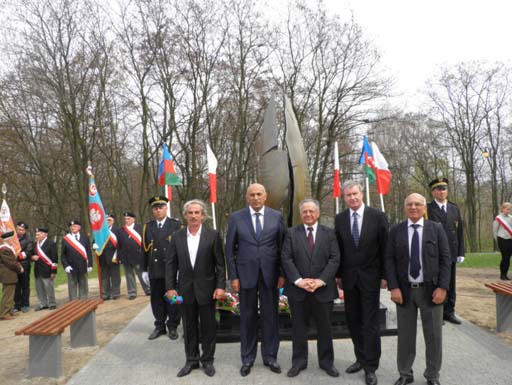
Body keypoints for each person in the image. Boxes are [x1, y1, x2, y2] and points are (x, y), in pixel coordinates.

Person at [385, 193, 450, 385]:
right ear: (405, 207)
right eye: (410, 204)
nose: (413, 207)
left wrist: (443, 288)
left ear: (424, 208)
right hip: (404, 292)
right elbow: (388, 260)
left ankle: (432, 375)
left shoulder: (436, 229)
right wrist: (393, 287)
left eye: (418, 204)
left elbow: (446, 260)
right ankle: (405, 374)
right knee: (405, 337)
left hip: (431, 291)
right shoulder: (395, 231)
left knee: (434, 337)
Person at [225, 183, 286, 377]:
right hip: (245, 276)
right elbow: (229, 250)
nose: (256, 198)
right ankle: (248, 358)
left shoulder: (276, 217)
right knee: (248, 318)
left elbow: (283, 248)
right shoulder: (236, 217)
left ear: (265, 196)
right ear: (247, 197)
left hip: (270, 276)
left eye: (259, 194)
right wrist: (233, 276)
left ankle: (270, 357)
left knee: (270, 318)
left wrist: (283, 274)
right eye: (252, 195)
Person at [334, 180, 388, 385]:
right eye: (348, 195)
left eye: (355, 194)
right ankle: (360, 357)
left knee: (370, 324)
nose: (352, 198)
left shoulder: (378, 217)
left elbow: (386, 249)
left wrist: (385, 276)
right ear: (344, 197)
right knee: (353, 321)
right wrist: (338, 276)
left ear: (362, 194)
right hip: (348, 280)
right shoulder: (340, 219)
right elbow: (338, 250)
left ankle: (371, 366)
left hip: (371, 279)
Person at [166, 200, 226, 378]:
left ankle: (207, 360)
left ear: (203, 215)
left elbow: (220, 265)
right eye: (190, 213)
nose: (193, 216)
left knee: (208, 327)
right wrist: (170, 288)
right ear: (185, 215)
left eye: (197, 213)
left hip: (207, 290)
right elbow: (170, 265)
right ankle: (191, 360)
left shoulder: (213, 236)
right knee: (189, 326)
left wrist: (220, 286)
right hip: (184, 290)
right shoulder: (176, 236)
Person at [281, 199, 340, 378]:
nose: (308, 214)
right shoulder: (291, 233)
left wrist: (320, 280)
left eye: (311, 211)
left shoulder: (329, 233)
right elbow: (286, 258)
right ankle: (298, 362)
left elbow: (334, 259)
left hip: (323, 289)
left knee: (325, 328)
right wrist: (299, 281)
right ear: (301, 214)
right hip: (298, 290)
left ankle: (327, 363)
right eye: (304, 212)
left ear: (318, 213)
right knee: (298, 328)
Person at [142, 196, 181, 340]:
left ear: (166, 208)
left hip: (172, 269)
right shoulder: (148, 226)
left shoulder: (176, 225)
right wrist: (144, 269)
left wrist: (181, 269)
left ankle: (173, 326)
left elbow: (181, 249)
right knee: (156, 299)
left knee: (175, 299)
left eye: (161, 207)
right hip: (155, 269)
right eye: (155, 208)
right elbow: (144, 249)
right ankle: (159, 326)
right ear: (153, 210)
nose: (158, 211)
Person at [427, 177, 465, 325]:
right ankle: (438, 313)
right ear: (433, 192)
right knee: (437, 283)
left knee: (450, 283)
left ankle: (450, 312)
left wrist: (461, 252)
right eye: (438, 189)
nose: (442, 191)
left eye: (444, 188)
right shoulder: (428, 209)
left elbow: (460, 231)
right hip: (435, 253)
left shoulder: (454, 208)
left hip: (452, 253)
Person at [118, 211, 150, 299]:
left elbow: (145, 242)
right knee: (129, 275)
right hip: (126, 256)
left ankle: (147, 289)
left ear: (133, 219)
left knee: (141, 273)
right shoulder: (121, 230)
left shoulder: (140, 228)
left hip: (138, 255)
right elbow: (119, 245)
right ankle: (132, 292)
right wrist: (120, 257)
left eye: (128, 219)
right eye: (125, 219)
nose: (126, 220)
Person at [61, 220, 93, 300]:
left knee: (83, 283)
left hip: (83, 265)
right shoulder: (66, 239)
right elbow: (63, 255)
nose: (72, 228)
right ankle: (73, 301)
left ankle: (84, 299)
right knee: (72, 284)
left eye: (74, 226)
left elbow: (89, 252)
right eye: (71, 226)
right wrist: (66, 266)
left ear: (79, 227)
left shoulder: (85, 238)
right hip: (71, 266)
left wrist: (90, 264)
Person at [32, 227, 58, 310]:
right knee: (39, 288)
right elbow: (31, 254)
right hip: (37, 270)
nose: (36, 236)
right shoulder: (35, 244)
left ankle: (52, 303)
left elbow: (54, 258)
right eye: (36, 235)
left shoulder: (51, 243)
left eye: (38, 234)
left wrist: (53, 271)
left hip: (47, 269)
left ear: (44, 234)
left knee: (49, 287)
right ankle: (43, 303)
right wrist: (32, 257)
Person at [0, 231, 23, 320]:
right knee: (7, 294)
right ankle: (4, 314)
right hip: (7, 274)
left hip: (10, 274)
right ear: (7, 239)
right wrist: (19, 268)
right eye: (11, 239)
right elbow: (10, 263)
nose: (13, 240)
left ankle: (9, 311)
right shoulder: (4, 249)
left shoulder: (8, 248)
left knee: (10, 293)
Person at [97, 214, 121, 300]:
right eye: (106, 220)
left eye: (109, 220)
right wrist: (94, 246)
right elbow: (95, 243)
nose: (107, 222)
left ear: (113, 221)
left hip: (114, 257)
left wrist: (119, 256)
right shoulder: (100, 231)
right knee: (104, 277)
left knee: (115, 277)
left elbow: (121, 244)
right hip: (103, 258)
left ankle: (116, 293)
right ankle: (105, 294)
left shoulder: (117, 231)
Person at [14, 221, 34, 313]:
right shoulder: (12, 237)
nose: (21, 231)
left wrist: (17, 256)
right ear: (16, 228)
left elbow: (28, 251)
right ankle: (17, 304)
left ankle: (25, 304)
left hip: (24, 264)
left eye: (22, 230)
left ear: (25, 230)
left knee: (25, 285)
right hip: (14, 265)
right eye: (19, 229)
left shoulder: (29, 238)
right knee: (16, 285)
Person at [492, 202, 512, 280]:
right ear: (503, 209)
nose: (509, 211)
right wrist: (497, 241)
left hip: (510, 240)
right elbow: (495, 231)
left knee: (508, 258)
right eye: (507, 209)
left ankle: (506, 274)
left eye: (510, 209)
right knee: (505, 258)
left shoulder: (510, 217)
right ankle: (502, 275)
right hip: (502, 240)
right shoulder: (498, 218)